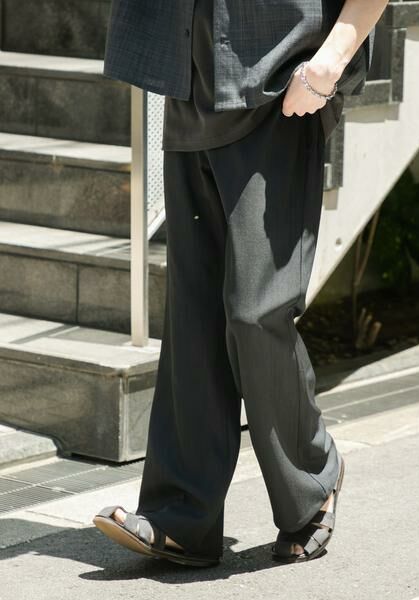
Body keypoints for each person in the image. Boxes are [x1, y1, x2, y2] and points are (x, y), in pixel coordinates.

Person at [93, 0, 388, 567]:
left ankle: (313, 477)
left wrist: (330, 62)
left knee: (257, 313)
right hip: (191, 78)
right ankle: (183, 518)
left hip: (281, 86)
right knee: (193, 317)